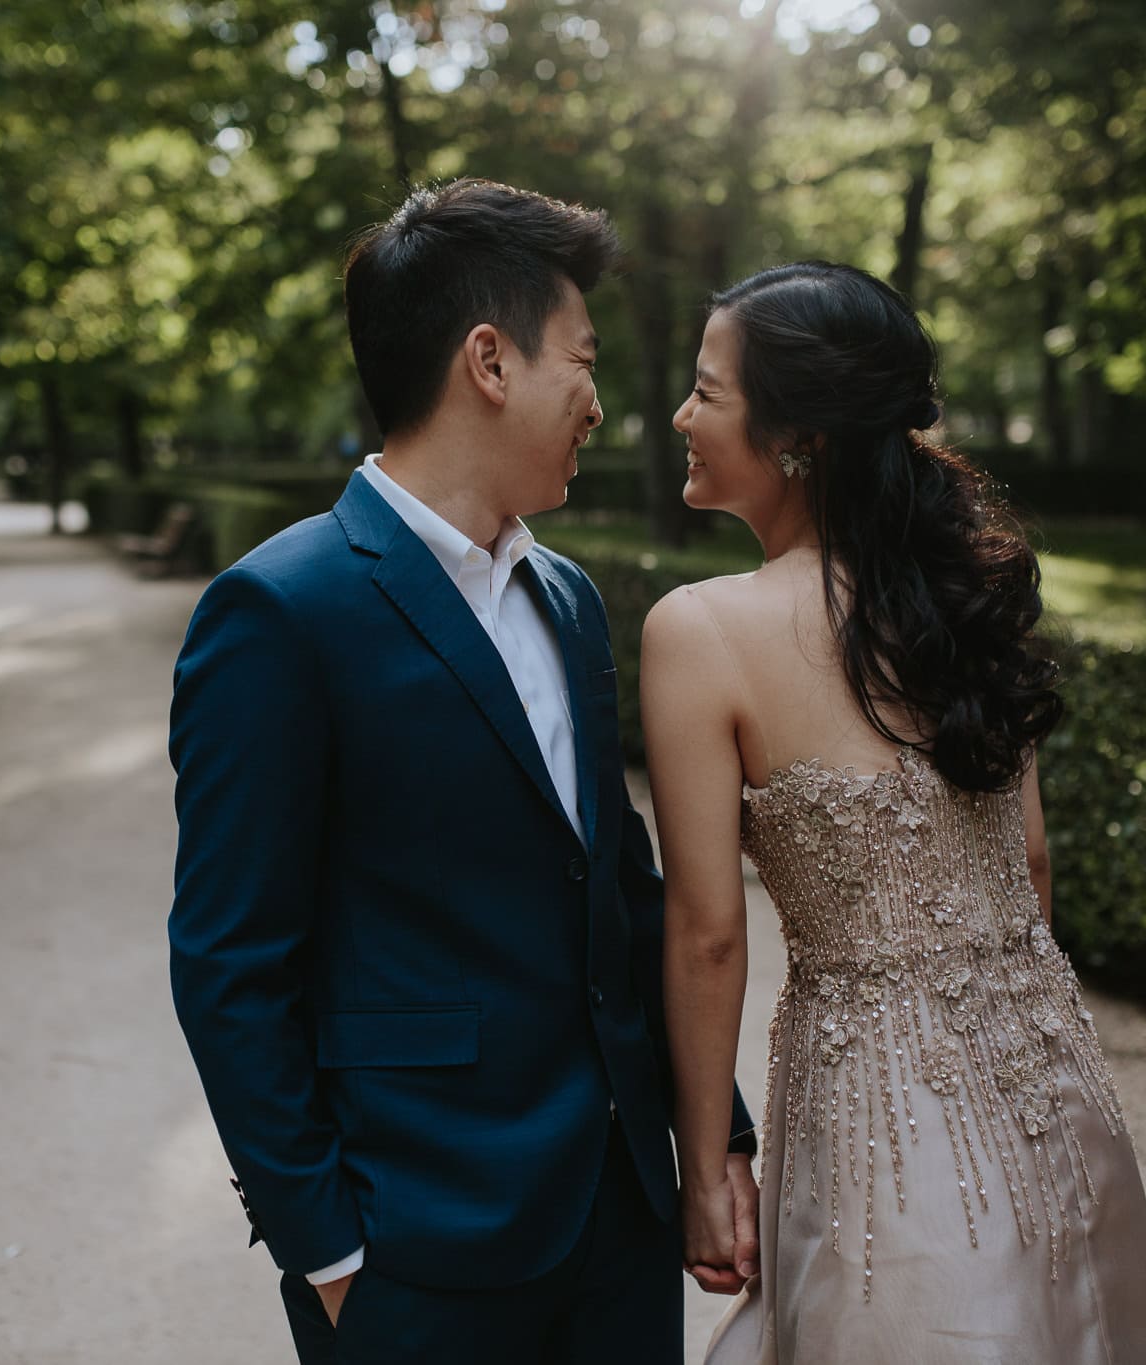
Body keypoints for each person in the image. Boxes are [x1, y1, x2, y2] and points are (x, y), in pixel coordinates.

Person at [166, 179, 759, 1365]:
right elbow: (230, 962)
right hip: (414, 1252)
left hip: (617, 1227)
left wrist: (712, 1140)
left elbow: (621, 895)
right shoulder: (279, 611)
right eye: (580, 361)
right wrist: (326, 1252)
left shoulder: (570, 599)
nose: (598, 403)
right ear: (489, 362)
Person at [643, 261, 1146, 1363]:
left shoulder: (699, 632)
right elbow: (1027, 864)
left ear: (796, 432)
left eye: (707, 390)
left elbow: (705, 937)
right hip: (1050, 1088)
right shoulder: (959, 596)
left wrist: (706, 1173)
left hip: (873, 1107)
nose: (679, 415)